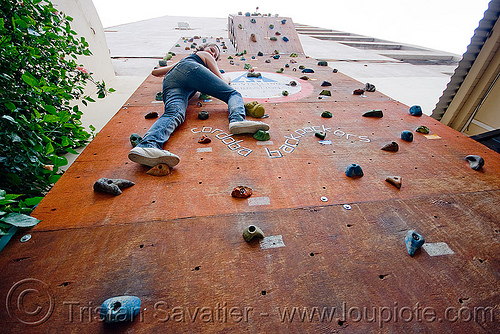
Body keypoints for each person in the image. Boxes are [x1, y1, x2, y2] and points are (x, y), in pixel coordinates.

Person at [128, 43, 269, 167]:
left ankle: (147, 146)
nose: (212, 53)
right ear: (204, 48)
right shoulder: (203, 55)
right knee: (233, 94)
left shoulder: (186, 58)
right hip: (191, 70)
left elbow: (156, 72)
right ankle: (237, 120)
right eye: (212, 49)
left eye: (215, 53)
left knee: (174, 113)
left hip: (170, 81)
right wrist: (227, 78)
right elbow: (221, 79)